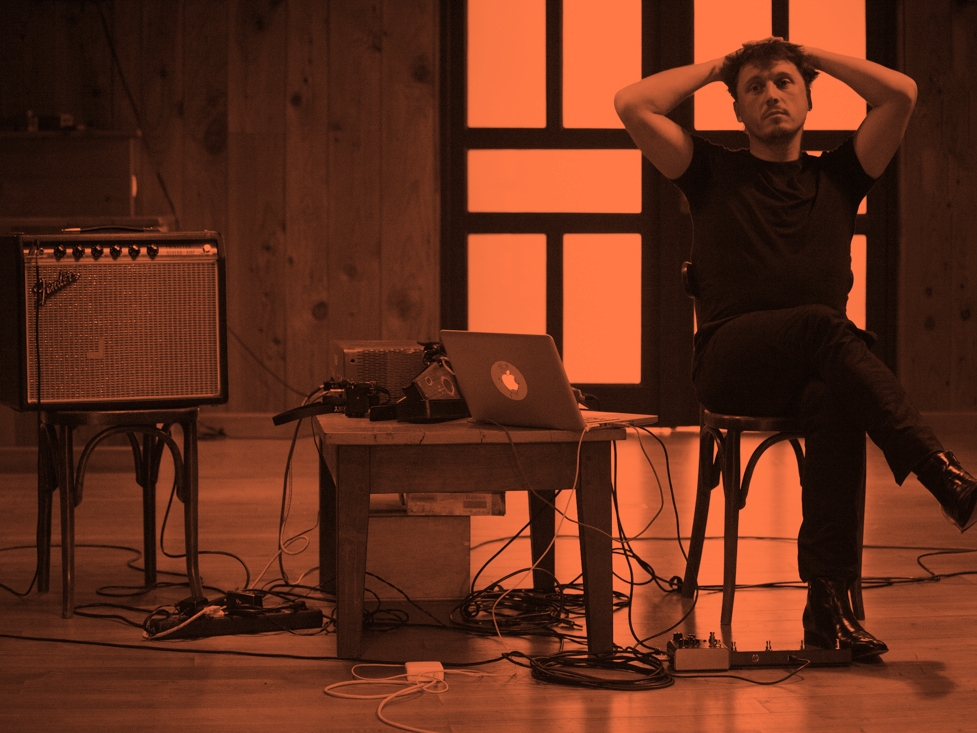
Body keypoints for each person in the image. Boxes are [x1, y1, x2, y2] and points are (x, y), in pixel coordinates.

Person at [614, 38, 977, 660]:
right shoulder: (710, 170)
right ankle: (936, 469)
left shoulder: (840, 174)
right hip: (730, 361)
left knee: (835, 398)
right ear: (737, 110)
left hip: (816, 363)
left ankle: (826, 608)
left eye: (784, 82)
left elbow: (902, 94)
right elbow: (632, 104)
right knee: (825, 326)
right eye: (754, 88)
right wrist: (720, 68)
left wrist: (809, 54)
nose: (771, 95)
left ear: (809, 98)